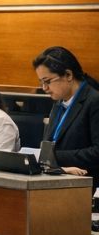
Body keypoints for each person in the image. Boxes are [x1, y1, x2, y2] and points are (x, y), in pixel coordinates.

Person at [33, 46, 99, 184]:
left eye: (47, 81)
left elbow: (97, 152)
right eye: (41, 82)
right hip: (58, 181)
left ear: (68, 75)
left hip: (86, 187)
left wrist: (53, 157)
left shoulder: (94, 101)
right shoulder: (58, 101)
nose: (44, 88)